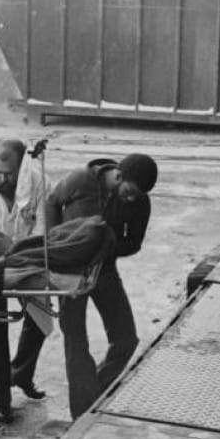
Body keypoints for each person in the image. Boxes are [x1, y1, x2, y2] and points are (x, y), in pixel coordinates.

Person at [46, 154, 158, 420]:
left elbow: (134, 242)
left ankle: (92, 393)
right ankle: (82, 414)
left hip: (104, 270)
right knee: (76, 342)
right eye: (129, 192)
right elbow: (51, 201)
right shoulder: (79, 180)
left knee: (126, 339)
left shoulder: (141, 201)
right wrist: (54, 243)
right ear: (118, 176)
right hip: (71, 271)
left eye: (137, 196)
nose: (131, 199)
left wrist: (106, 246)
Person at [0, 137, 51, 425]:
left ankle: (22, 373)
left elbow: (42, 229)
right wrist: (4, 252)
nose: (3, 178)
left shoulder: (39, 181)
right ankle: (2, 400)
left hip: (28, 257)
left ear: (22, 167)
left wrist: (17, 251)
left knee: (41, 316)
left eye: (10, 173)